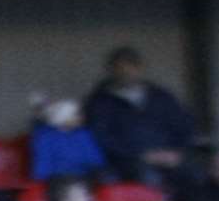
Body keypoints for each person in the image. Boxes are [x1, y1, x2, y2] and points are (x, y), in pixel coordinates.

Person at [83, 46, 196, 187]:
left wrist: (177, 153)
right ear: (111, 70)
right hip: (126, 161)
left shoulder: (161, 96)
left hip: (170, 156)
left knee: (195, 175)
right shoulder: (99, 101)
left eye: (131, 67)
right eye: (120, 68)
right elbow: (101, 138)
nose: (126, 72)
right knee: (148, 178)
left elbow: (185, 126)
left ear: (140, 68)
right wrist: (141, 155)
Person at [29, 98, 108, 183]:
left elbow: (96, 158)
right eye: (76, 115)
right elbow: (43, 166)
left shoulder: (84, 133)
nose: (81, 117)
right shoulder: (46, 137)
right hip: (58, 178)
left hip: (85, 175)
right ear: (64, 119)